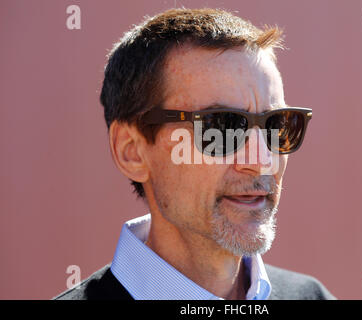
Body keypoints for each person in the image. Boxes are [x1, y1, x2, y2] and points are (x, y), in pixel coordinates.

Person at [54, 8, 335, 300]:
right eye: (223, 127)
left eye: (277, 125)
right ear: (132, 152)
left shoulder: (312, 296)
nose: (261, 161)